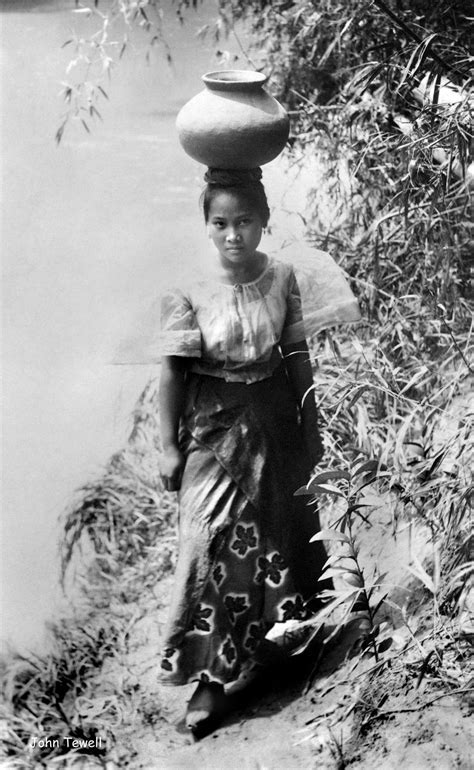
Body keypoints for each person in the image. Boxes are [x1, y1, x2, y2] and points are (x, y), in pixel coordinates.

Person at [157, 167, 338, 734]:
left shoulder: (282, 276)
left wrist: (313, 430)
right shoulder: (185, 288)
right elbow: (172, 372)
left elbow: (298, 357)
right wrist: (168, 446)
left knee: (275, 533)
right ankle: (209, 679)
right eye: (220, 223)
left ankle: (274, 648)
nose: (233, 235)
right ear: (206, 226)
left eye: (244, 222)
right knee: (207, 540)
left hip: (275, 417)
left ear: (263, 221)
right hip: (213, 425)